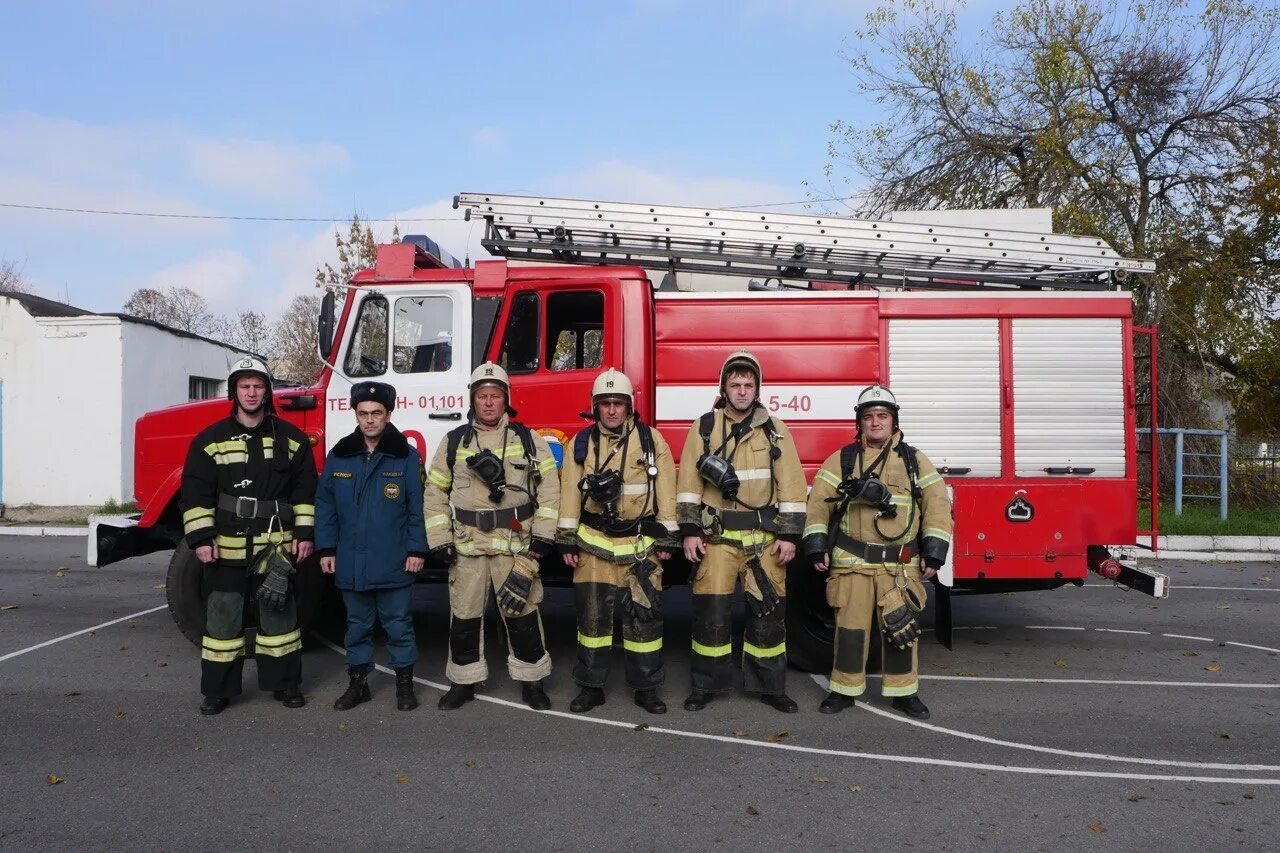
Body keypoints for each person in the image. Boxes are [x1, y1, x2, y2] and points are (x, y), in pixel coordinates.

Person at [801, 384, 953, 718]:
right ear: (860, 423)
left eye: (882, 416)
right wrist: (814, 546)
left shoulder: (915, 462)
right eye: (869, 416)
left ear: (893, 421)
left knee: (900, 633)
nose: (875, 422)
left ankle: (904, 693)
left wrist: (934, 551)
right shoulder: (842, 460)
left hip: (898, 568)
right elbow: (816, 507)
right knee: (850, 632)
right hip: (852, 565)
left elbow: (938, 506)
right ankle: (843, 690)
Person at [178, 356, 317, 716]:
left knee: (280, 616)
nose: (252, 393)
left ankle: (286, 685)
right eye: (245, 386)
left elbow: (305, 493)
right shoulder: (210, 441)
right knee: (222, 619)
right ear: (234, 392)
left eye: (258, 386)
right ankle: (217, 691)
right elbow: (195, 495)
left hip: (276, 545)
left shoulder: (292, 439)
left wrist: (303, 534)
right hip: (226, 545)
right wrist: (202, 539)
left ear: (267, 391)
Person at [423, 362, 560, 711]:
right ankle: (463, 683)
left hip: (515, 547)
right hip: (466, 546)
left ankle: (532, 681)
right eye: (481, 396)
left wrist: (543, 539)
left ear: (506, 400)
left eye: (494, 396)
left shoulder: (529, 440)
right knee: (464, 616)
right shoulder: (454, 442)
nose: (487, 403)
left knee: (523, 614)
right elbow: (435, 493)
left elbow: (550, 491)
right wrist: (440, 540)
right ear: (473, 400)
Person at [677, 351, 807, 714]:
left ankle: (771, 687)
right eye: (735, 385)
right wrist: (689, 531)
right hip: (716, 540)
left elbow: (792, 487)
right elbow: (688, 484)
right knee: (710, 614)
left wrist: (789, 537)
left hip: (764, 541)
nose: (742, 391)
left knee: (768, 615)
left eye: (748, 385)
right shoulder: (704, 427)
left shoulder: (775, 429)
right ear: (724, 388)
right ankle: (705, 686)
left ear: (758, 389)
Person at [557, 368, 678, 715]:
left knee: (645, 620)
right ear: (595, 407)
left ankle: (647, 689)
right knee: (592, 621)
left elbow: (666, 491)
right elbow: (568, 493)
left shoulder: (652, 442)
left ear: (629, 407)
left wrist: (668, 537)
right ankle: (591, 688)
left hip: (641, 546)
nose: (612, 410)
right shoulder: (580, 444)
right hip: (593, 543)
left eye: (618, 403)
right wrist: (566, 539)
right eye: (605, 403)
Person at [315, 381, 428, 712]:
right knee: (356, 628)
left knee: (399, 626)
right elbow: (325, 506)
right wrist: (326, 550)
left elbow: (418, 508)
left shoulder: (406, 457)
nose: (369, 420)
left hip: (394, 560)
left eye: (376, 413)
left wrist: (417, 550)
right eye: (363, 413)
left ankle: (404, 688)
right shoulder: (340, 456)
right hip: (350, 562)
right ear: (356, 415)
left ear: (388, 414)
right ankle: (358, 685)